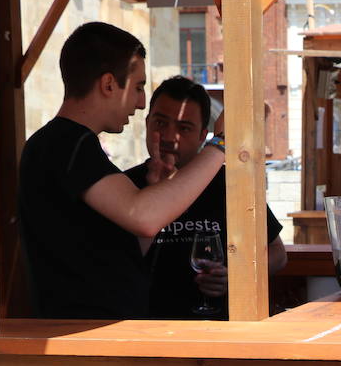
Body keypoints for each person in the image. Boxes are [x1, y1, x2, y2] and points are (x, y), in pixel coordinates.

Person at [18, 22, 225, 319]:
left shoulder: (68, 144)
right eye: (138, 87)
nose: (141, 103)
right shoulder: (66, 144)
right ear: (108, 85)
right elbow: (144, 217)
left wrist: (155, 188)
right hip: (82, 337)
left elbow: (121, 247)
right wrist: (221, 144)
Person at [124, 76, 286, 320]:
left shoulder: (230, 185)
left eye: (184, 128)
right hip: (140, 328)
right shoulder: (122, 185)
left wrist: (235, 274)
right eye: (160, 123)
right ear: (146, 124)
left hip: (219, 331)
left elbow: (277, 253)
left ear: (202, 136)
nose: (170, 136)